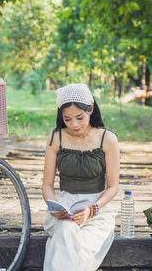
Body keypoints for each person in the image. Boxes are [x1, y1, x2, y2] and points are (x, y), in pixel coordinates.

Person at [42, 83, 120, 271]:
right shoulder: (56, 137)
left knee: (80, 247)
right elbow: (47, 185)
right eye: (67, 119)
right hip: (65, 206)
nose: (74, 125)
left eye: (80, 117)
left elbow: (113, 186)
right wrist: (53, 206)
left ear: (91, 108)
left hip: (97, 208)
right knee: (65, 231)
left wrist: (92, 210)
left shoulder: (107, 138)